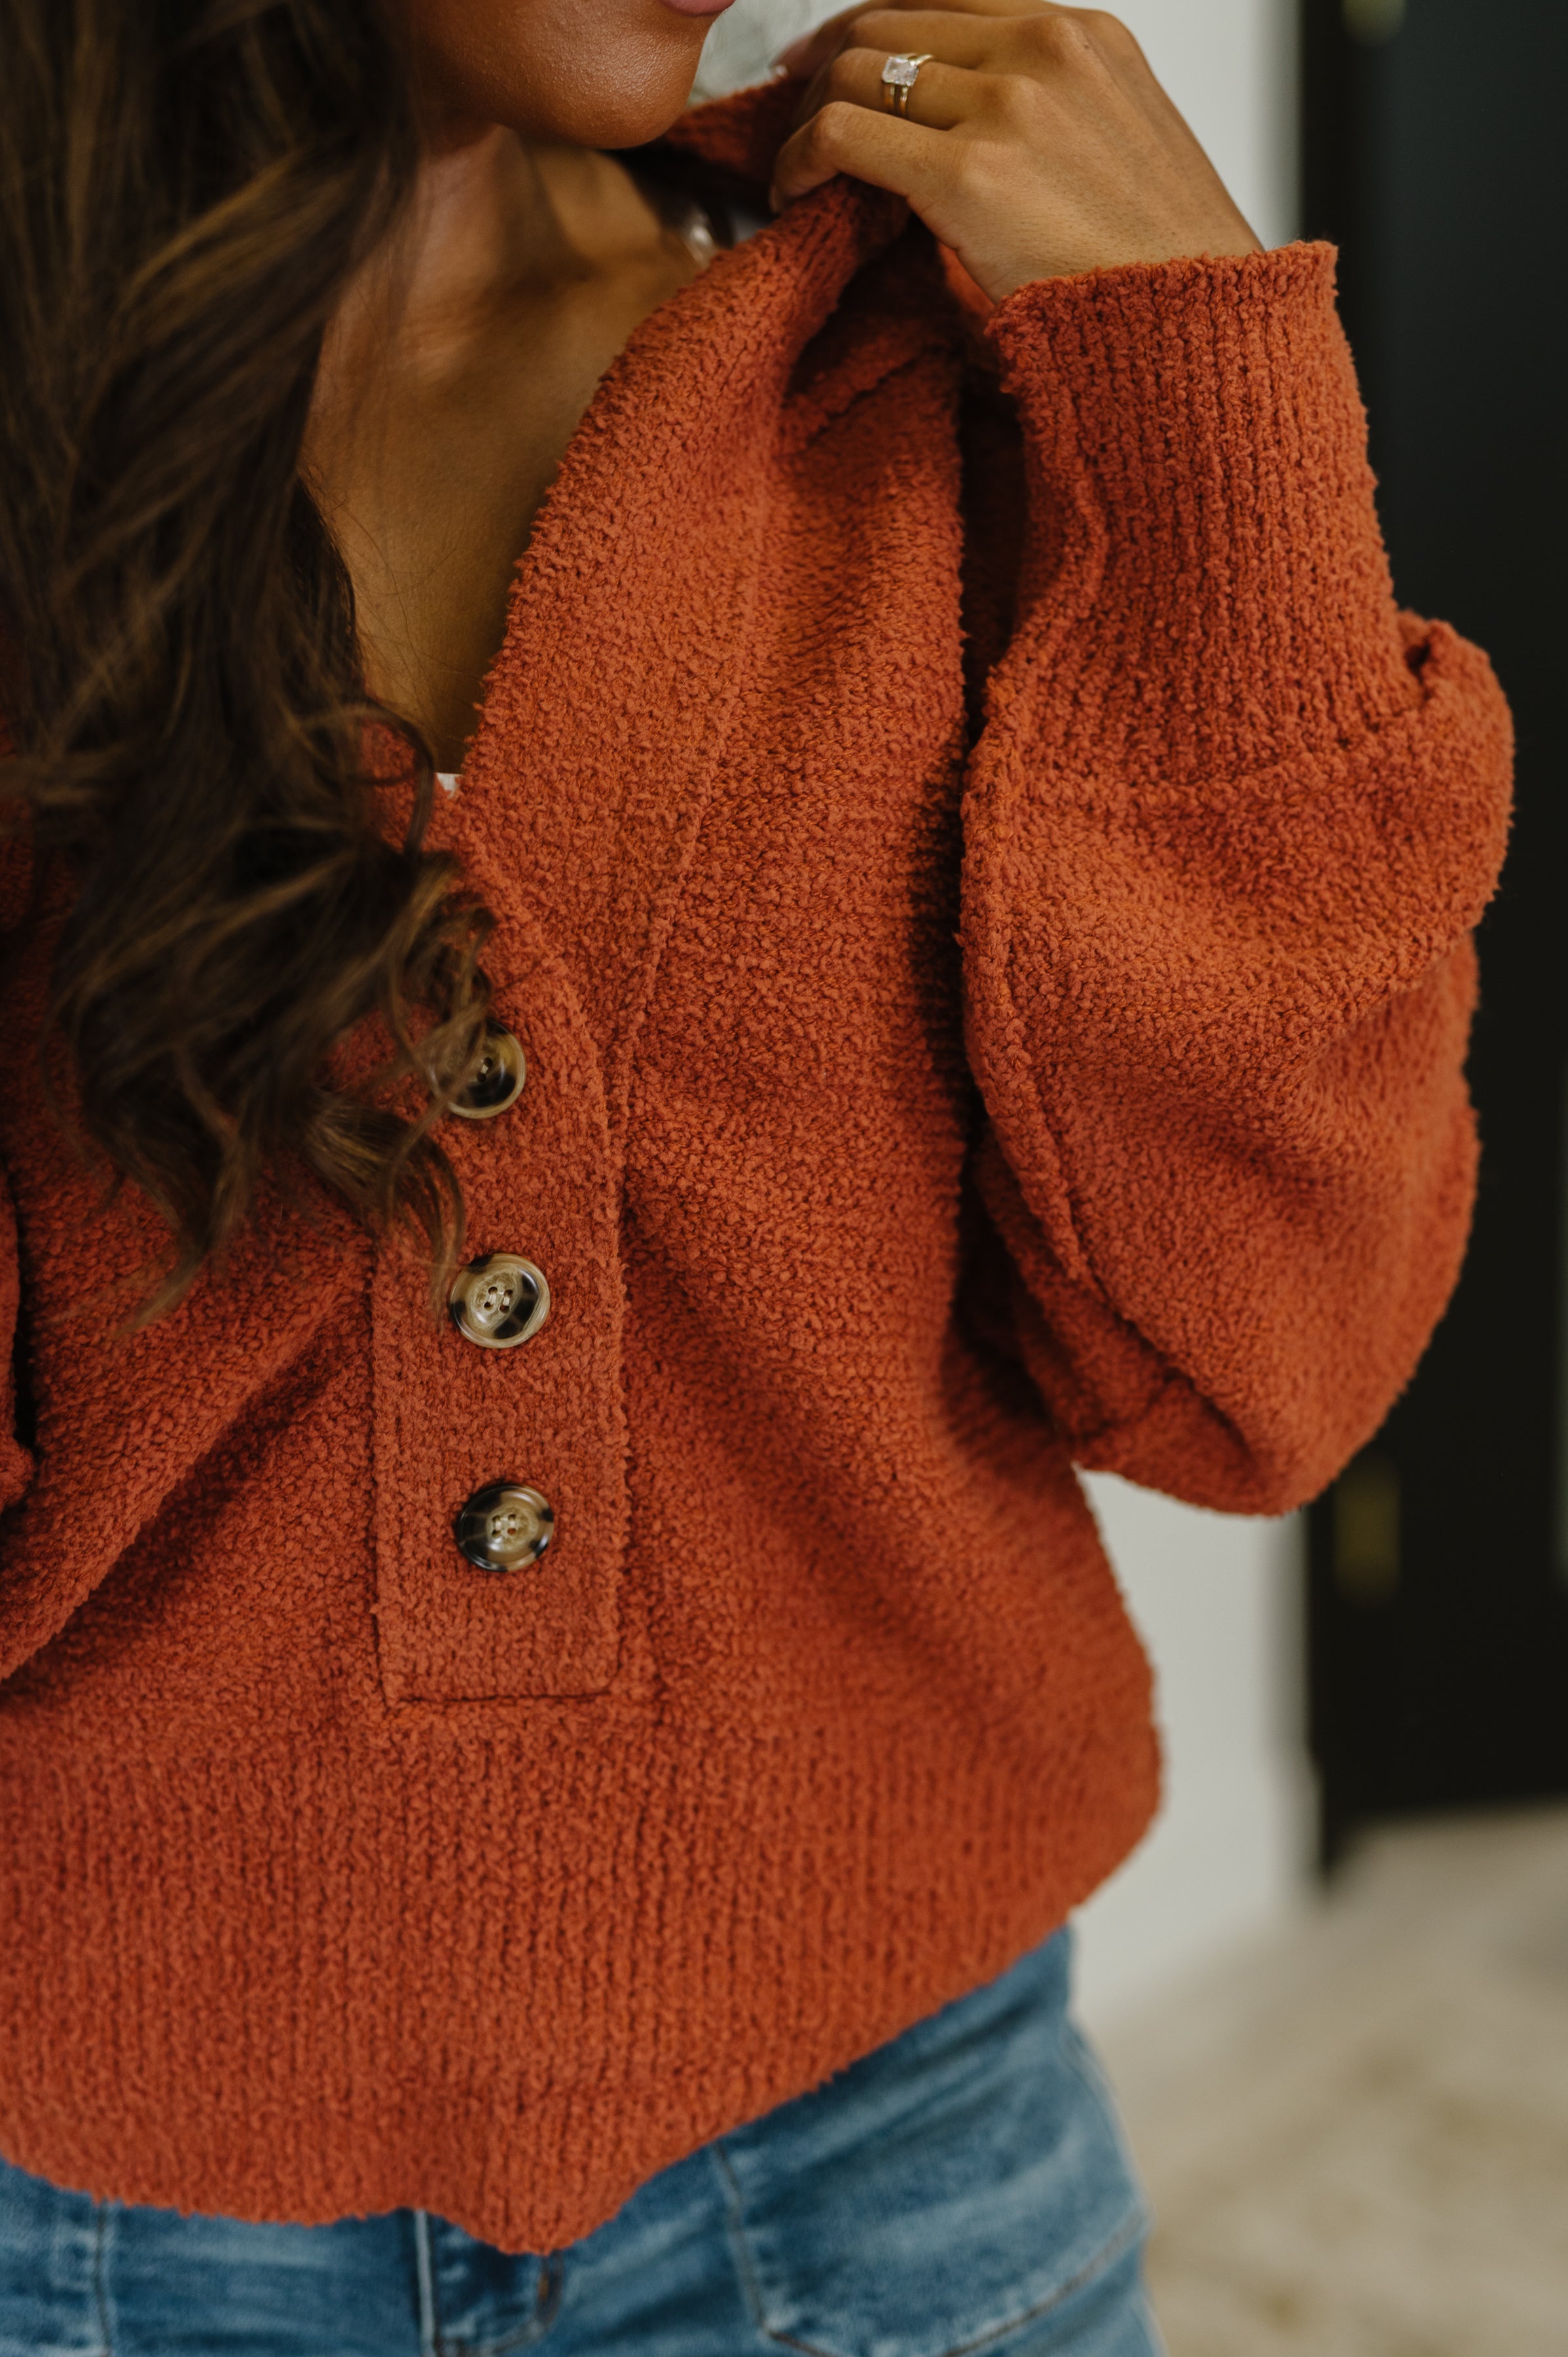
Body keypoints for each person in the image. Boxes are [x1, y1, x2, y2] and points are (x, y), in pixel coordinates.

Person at [0, 0, 1512, 2349]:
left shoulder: (904, 354)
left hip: (892, 2173)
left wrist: (1206, 400)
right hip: (79, 2213)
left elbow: (1265, 1371)